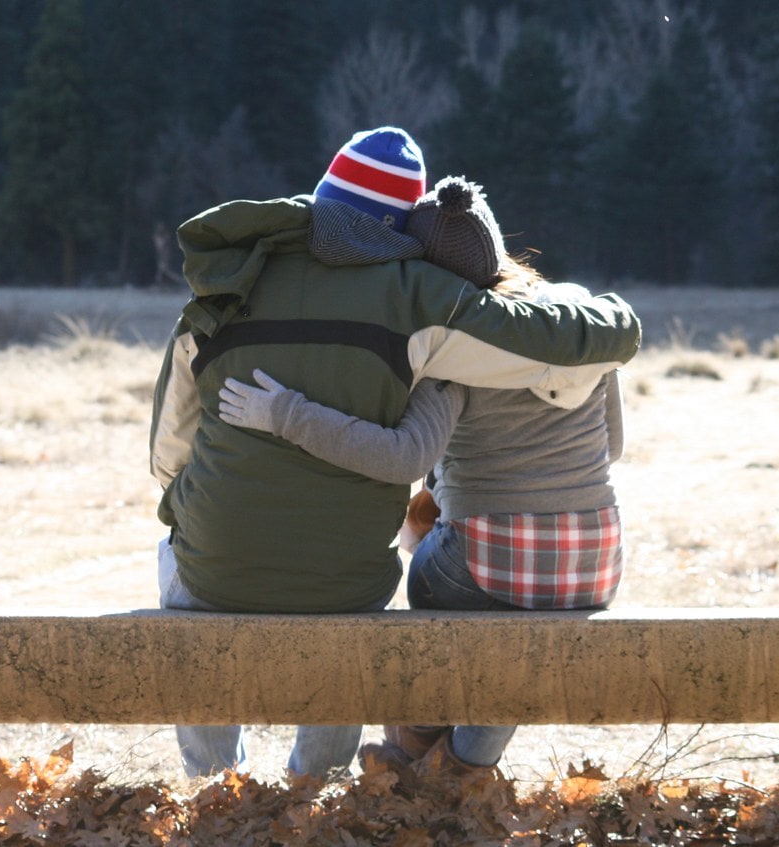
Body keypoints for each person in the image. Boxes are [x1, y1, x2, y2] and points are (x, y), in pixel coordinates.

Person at [150, 129, 641, 781]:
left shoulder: (222, 287)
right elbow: (554, 356)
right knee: (371, 592)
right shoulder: (418, 305)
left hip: (218, 563)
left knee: (183, 560)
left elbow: (168, 454)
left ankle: (213, 780)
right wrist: (617, 321)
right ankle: (324, 779)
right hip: (372, 578)